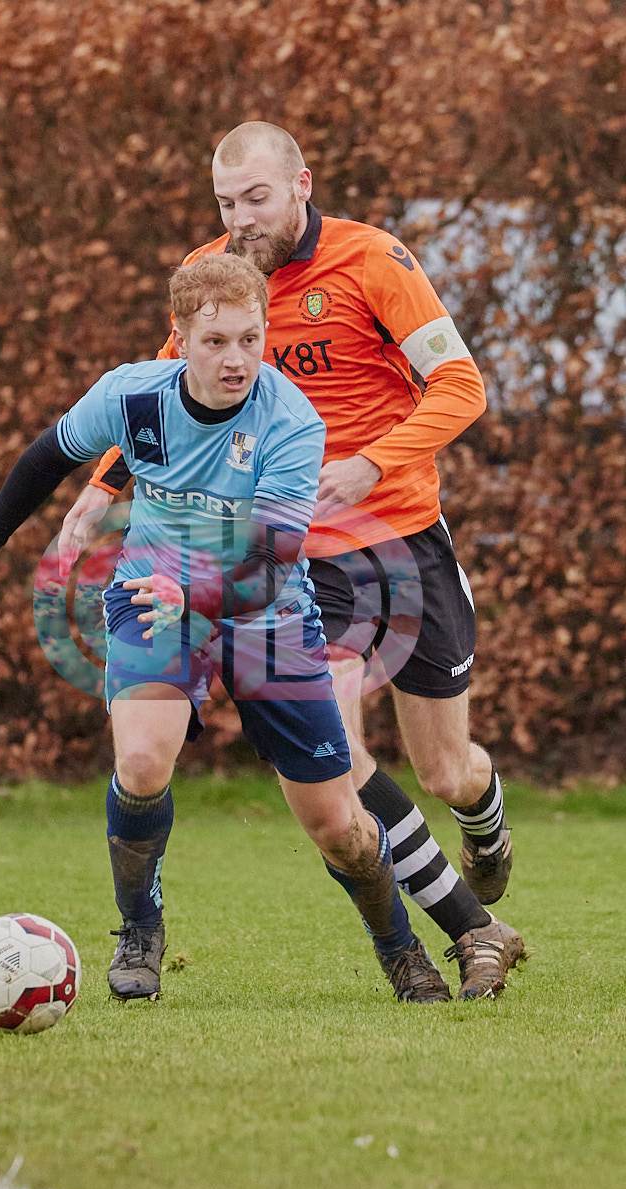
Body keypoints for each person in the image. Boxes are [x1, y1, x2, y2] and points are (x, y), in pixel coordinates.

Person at [59, 122, 525, 1001]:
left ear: (302, 185)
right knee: (342, 754)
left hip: (404, 534)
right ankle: (472, 931)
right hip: (299, 552)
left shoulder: (375, 260)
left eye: (257, 199)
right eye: (226, 203)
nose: (241, 219)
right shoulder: (215, 278)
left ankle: (483, 817)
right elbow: (159, 397)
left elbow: (462, 386)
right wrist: (101, 486)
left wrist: (371, 464)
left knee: (445, 770)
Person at [0, 254, 458, 1005]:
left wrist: (198, 593)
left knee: (337, 824)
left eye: (250, 339)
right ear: (180, 337)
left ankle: (400, 948)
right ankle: (140, 931)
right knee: (143, 762)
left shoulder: (291, 421)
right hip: (152, 597)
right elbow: (46, 458)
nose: (236, 359)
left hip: (266, 615)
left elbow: (271, 565)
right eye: (215, 342)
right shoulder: (132, 394)